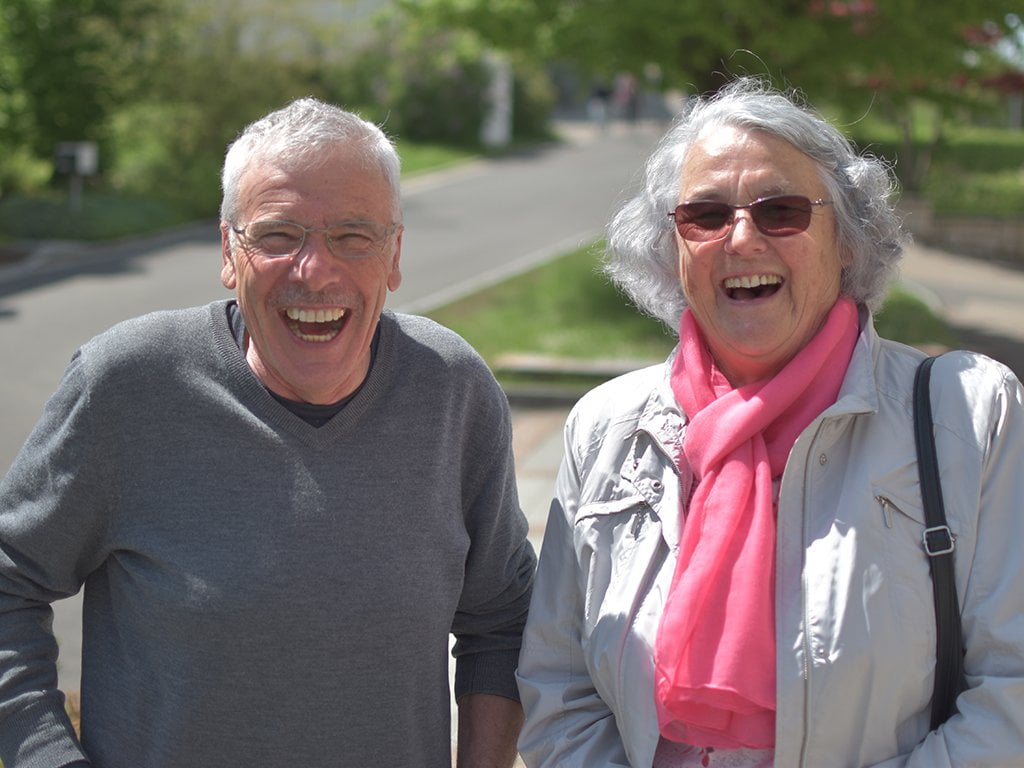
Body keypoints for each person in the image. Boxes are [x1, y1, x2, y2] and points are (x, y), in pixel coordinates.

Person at [0, 98, 536, 767]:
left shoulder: (452, 390)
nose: (315, 270)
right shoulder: (128, 386)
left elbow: (502, 617)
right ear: (229, 251)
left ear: (394, 254)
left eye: (353, 237)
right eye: (279, 236)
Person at [516, 77, 1024, 767]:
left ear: (847, 240)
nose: (742, 238)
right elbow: (558, 690)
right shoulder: (604, 427)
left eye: (781, 211)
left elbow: (1009, 698)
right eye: (705, 215)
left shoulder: (970, 414)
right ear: (671, 248)